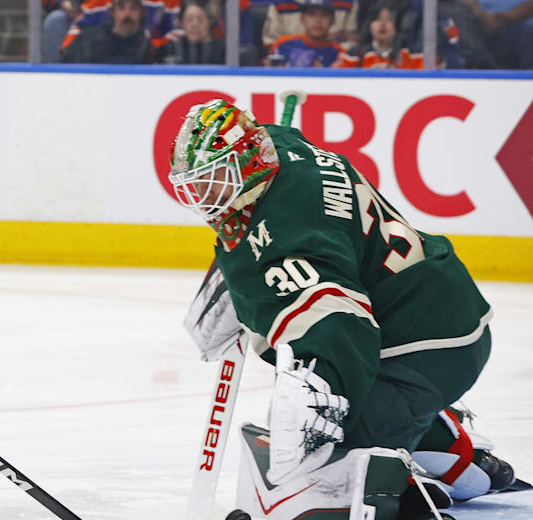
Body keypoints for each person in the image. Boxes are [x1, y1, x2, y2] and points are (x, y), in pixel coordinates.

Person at [167, 99, 521, 519]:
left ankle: (404, 487)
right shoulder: (278, 148)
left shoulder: (294, 236)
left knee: (327, 465)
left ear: (251, 163)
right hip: (420, 306)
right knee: (284, 333)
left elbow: (341, 329)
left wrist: (318, 430)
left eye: (217, 181)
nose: (207, 196)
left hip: (429, 343)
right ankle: (450, 447)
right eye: (199, 183)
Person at [60, 0, 156, 63]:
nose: (127, 13)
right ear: (112, 12)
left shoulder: (147, 49)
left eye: (133, 8)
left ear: (142, 13)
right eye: (122, 7)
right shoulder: (87, 41)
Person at [268, 0, 346, 66]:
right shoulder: (282, 44)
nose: (317, 20)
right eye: (311, 14)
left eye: (324, 15)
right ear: (302, 19)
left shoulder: (340, 54)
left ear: (333, 20)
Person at [337, 1, 424, 67]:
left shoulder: (410, 55)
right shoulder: (354, 55)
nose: (383, 24)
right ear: (370, 26)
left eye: (389, 20)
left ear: (396, 27)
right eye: (378, 19)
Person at [159, 0, 223, 63]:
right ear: (182, 24)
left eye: (200, 19)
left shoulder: (222, 50)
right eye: (189, 20)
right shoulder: (171, 49)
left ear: (209, 22)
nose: (195, 25)